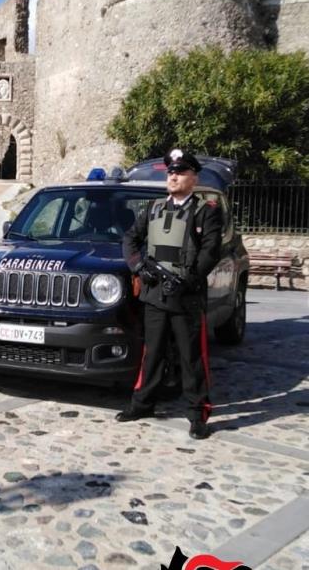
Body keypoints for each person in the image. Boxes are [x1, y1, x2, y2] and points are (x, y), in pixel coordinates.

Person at [117, 148, 222, 439]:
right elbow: (130, 239)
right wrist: (138, 266)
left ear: (193, 177)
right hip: (154, 294)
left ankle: (198, 414)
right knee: (152, 353)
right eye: (171, 173)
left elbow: (211, 251)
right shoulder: (152, 209)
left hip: (185, 297)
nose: (174, 177)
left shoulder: (206, 211)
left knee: (192, 358)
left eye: (181, 172)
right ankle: (143, 403)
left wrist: (188, 280)